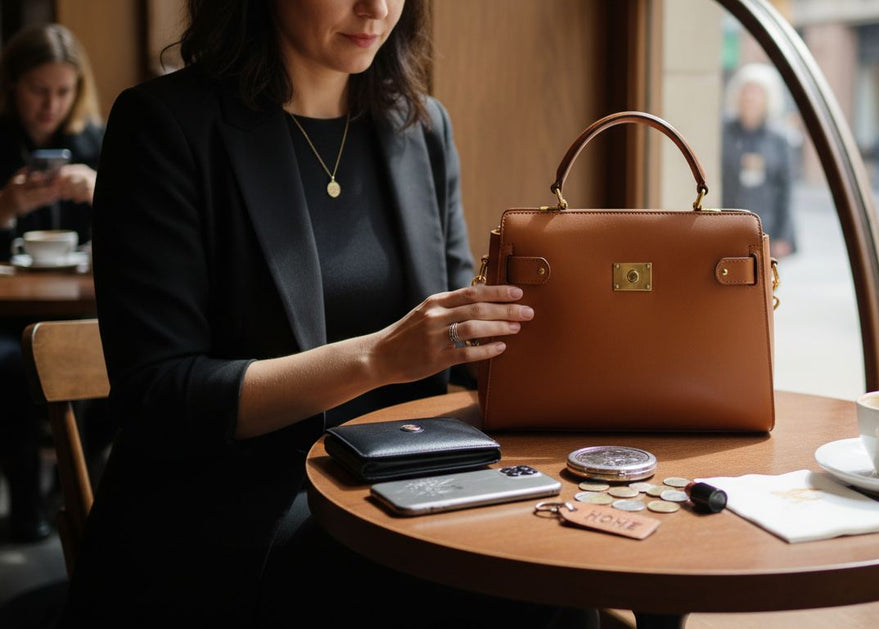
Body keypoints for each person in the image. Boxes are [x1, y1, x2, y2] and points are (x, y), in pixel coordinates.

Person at [60, 1, 595, 626]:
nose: (377, 8)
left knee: (558, 574)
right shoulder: (166, 125)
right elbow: (159, 396)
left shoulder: (420, 128)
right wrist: (376, 358)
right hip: (232, 506)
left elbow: (461, 341)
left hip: (408, 477)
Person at [0, 23, 102, 543]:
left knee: (101, 357)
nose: (51, 105)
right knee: (18, 364)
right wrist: (5, 208)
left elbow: (140, 234)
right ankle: (27, 499)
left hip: (81, 309)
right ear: (13, 85)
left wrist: (100, 191)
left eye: (63, 91)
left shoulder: (93, 142)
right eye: (40, 90)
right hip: (8, 317)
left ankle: (83, 493)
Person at [721, 63, 796, 258]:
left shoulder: (779, 139)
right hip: (727, 223)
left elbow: (786, 189)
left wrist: (784, 235)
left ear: (767, 97)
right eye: (746, 91)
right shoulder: (723, 133)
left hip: (764, 227)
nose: (750, 97)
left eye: (756, 92)